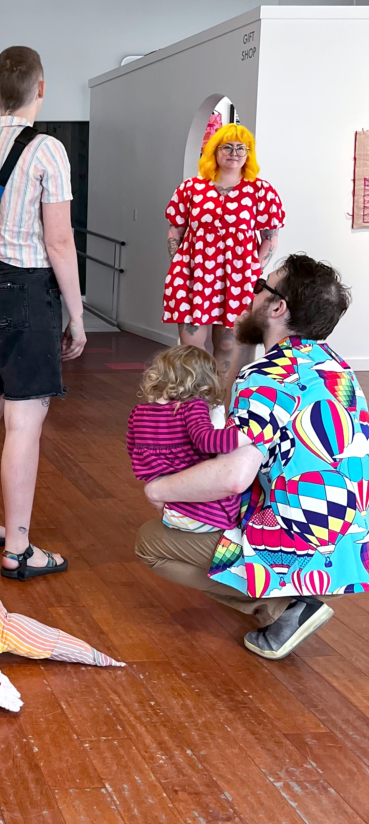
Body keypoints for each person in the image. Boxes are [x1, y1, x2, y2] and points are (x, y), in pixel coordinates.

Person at [137, 254, 367, 660]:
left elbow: (234, 476)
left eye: (261, 284)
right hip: (348, 541)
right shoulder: (337, 368)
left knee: (151, 542)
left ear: (278, 308)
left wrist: (160, 486)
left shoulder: (268, 376)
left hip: (298, 542)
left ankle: (287, 608)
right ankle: (288, 601)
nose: (252, 290)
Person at [0, 46, 86, 580]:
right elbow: (58, 243)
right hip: (25, 292)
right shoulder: (48, 149)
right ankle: (21, 549)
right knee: (24, 423)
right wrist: (77, 316)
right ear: (42, 87)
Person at [163, 122, 284, 390]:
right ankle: (192, 405)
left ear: (249, 153)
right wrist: (178, 262)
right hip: (192, 276)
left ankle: (219, 406)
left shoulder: (260, 191)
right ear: (214, 151)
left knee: (229, 345)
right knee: (191, 349)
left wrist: (255, 267)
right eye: (227, 147)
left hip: (238, 279)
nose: (234, 152)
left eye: (242, 148)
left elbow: (270, 236)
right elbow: (176, 228)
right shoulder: (191, 188)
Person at [127, 345, 244, 533]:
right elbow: (207, 442)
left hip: (170, 510)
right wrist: (248, 435)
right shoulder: (192, 406)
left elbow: (133, 450)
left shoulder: (138, 412)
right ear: (205, 380)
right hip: (208, 514)